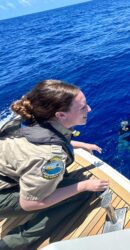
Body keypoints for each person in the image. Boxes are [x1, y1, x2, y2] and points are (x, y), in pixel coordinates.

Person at [0, 80, 109, 249]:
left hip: (6, 174)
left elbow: (42, 139)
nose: (89, 109)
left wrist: (81, 145)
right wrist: (85, 185)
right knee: (80, 193)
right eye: (82, 107)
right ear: (60, 115)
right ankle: (12, 244)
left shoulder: (28, 117)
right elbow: (29, 203)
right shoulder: (51, 156)